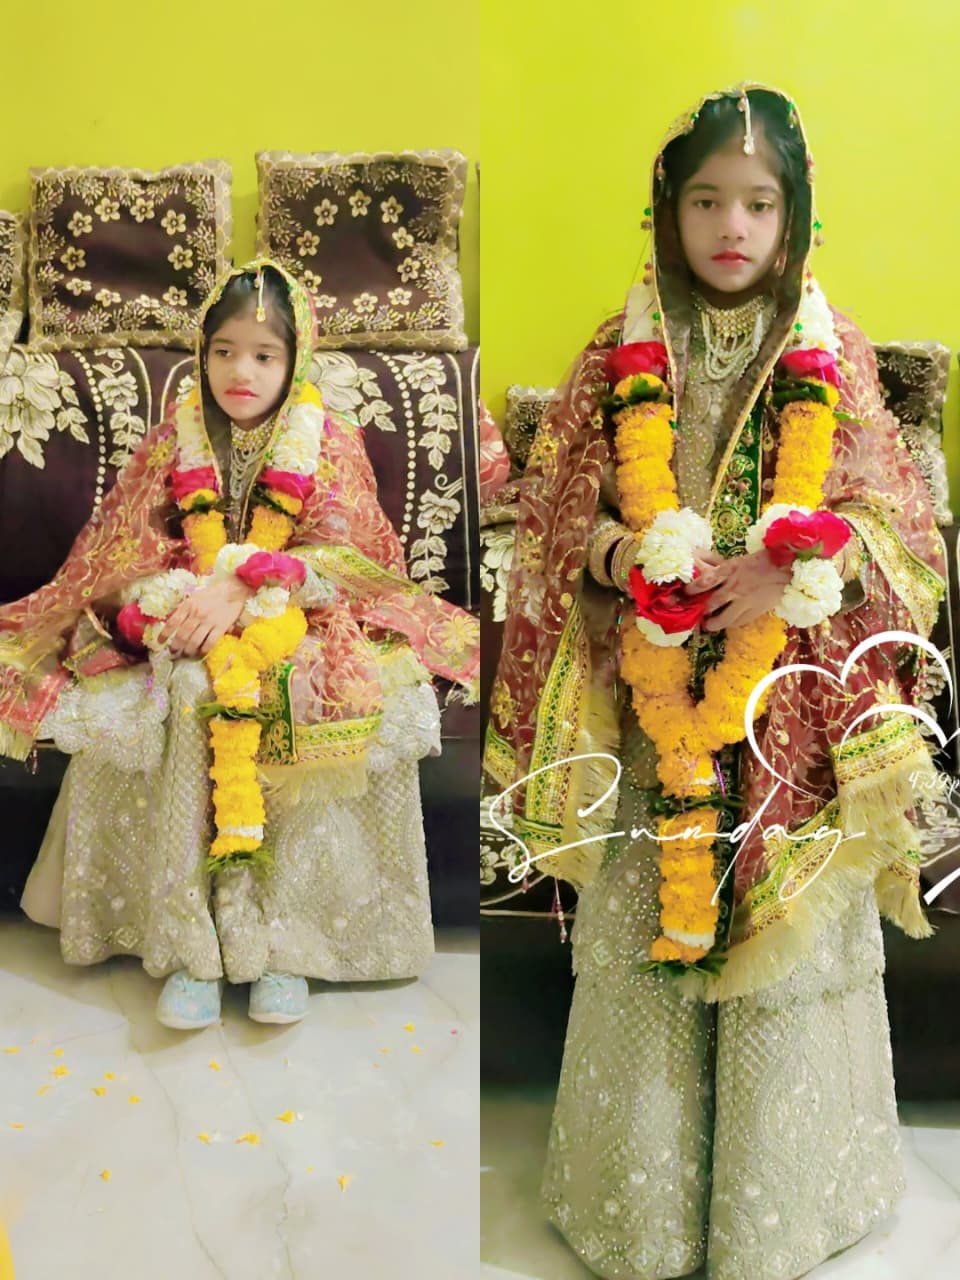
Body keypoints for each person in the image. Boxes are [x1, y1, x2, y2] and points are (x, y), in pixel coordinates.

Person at [484, 83, 946, 1279]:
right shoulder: (617, 349)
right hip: (654, 716)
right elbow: (552, 517)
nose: (731, 226)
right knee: (652, 928)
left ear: (796, 219)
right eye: (706, 200)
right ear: (666, 211)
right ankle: (640, 1210)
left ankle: (778, 1210)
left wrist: (793, 568)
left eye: (758, 203)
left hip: (791, 705)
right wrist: (626, 558)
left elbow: (901, 525)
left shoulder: (832, 349)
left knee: (789, 942)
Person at [0, 259, 478, 1030]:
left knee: (288, 694)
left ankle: (282, 945)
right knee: (192, 692)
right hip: (188, 623)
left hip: (306, 622)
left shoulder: (327, 441)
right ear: (202, 355)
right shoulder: (174, 440)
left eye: (263, 354)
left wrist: (250, 586)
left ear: (295, 360)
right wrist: (178, 598)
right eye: (224, 351)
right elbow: (121, 553)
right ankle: (189, 945)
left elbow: (354, 563)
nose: (241, 372)